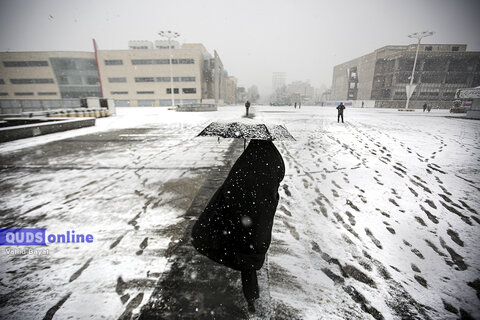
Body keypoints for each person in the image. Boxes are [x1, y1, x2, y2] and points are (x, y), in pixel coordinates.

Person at [191, 139, 285, 313]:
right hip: (261, 217)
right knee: (251, 254)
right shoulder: (274, 159)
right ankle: (251, 296)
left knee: (244, 253)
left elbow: (232, 188)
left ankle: (251, 295)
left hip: (245, 218)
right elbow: (277, 180)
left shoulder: (247, 162)